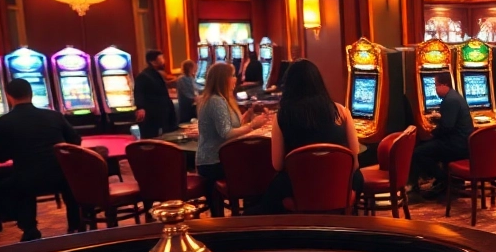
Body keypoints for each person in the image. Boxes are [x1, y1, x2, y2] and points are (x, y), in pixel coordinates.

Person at [260, 59, 361, 213]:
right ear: (319, 82)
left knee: (274, 188)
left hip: (299, 190)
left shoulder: (282, 116)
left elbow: (278, 164)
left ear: (289, 86)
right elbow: (354, 162)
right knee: (356, 177)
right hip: (337, 187)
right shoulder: (342, 112)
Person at [0, 78, 81, 241]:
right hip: (60, 176)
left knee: (2, 185)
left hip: (26, 179)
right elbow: (75, 141)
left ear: (8, 96)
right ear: (31, 94)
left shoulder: (1, 123)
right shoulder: (54, 116)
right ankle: (76, 224)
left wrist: (17, 151)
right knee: (68, 177)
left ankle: (29, 228)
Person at [195, 63, 268, 216]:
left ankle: (248, 214)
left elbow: (230, 126)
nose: (236, 79)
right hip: (212, 162)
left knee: (256, 168)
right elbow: (226, 133)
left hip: (217, 159)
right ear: (223, 79)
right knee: (258, 172)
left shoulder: (221, 99)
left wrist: (247, 117)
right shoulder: (216, 101)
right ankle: (249, 215)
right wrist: (253, 126)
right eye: (233, 75)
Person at [412, 72, 473, 199]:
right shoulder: (454, 97)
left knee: (419, 153)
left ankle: (444, 180)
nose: (435, 89)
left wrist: (432, 133)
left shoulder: (450, 100)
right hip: (461, 142)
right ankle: (443, 181)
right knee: (427, 148)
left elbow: (447, 127)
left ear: (445, 85)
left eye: (436, 85)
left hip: (456, 145)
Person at [134, 49, 178, 138]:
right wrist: (140, 107)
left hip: (163, 112)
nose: (163, 61)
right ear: (152, 62)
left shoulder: (156, 74)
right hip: (153, 114)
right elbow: (138, 92)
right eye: (161, 59)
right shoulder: (144, 75)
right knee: (153, 138)